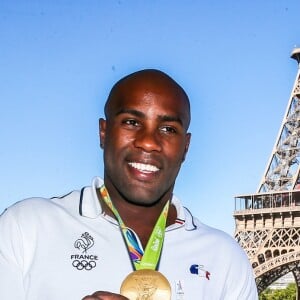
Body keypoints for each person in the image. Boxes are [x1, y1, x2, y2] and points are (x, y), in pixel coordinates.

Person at [0, 69, 258, 299]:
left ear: (186, 147)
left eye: (168, 128)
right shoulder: (25, 227)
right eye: (132, 122)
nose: (148, 142)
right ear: (104, 132)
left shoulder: (225, 256)